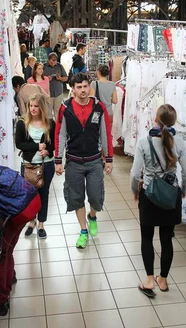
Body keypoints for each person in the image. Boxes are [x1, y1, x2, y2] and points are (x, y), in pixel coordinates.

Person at [129, 104, 186, 298]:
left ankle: (149, 280)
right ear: (174, 121)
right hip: (170, 196)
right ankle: (163, 279)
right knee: (167, 239)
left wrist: (135, 191)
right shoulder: (179, 142)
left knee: (147, 237)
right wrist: (182, 189)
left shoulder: (143, 142)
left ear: (155, 118)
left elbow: (134, 174)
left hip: (149, 195)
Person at [55, 73, 113, 249]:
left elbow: (105, 134)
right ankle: (83, 231)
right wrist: (58, 159)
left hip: (94, 161)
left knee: (96, 198)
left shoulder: (99, 107)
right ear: (72, 88)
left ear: (90, 87)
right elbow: (60, 134)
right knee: (76, 198)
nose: (82, 90)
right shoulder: (65, 108)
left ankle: (92, 216)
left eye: (85, 86)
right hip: (73, 162)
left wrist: (108, 158)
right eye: (78, 87)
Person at [15, 93, 56, 239]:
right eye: (30, 106)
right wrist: (37, 146)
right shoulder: (22, 123)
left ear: (42, 107)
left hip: (46, 165)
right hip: (28, 165)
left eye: (36, 106)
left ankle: (41, 224)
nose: (32, 109)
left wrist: (48, 150)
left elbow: (54, 144)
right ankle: (31, 221)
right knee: (29, 196)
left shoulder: (50, 123)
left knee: (44, 194)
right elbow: (19, 144)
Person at [89, 64, 117, 128]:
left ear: (98, 72)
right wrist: (107, 98)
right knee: (108, 133)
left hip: (97, 112)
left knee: (96, 132)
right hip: (109, 112)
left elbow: (91, 100)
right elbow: (115, 101)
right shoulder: (112, 84)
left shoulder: (94, 84)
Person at [44, 52, 68, 118]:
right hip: (48, 94)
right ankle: (50, 127)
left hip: (58, 93)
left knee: (58, 113)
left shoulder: (59, 66)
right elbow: (39, 79)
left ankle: (58, 127)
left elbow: (66, 78)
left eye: (55, 61)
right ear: (48, 60)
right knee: (48, 114)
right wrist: (46, 79)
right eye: (52, 60)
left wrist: (60, 78)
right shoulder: (43, 67)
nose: (53, 62)